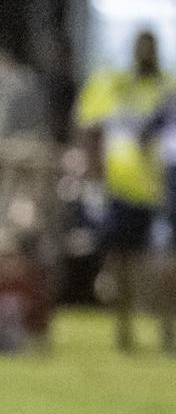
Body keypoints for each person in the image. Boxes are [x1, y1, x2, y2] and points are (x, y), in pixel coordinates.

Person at [76, 30, 173, 352]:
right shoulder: (117, 85)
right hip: (120, 188)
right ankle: (125, 331)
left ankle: (166, 328)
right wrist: (93, 174)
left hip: (158, 189)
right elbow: (89, 126)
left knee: (161, 264)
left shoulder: (166, 88)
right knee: (121, 262)